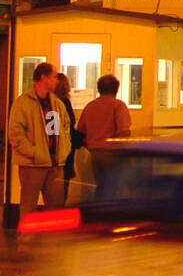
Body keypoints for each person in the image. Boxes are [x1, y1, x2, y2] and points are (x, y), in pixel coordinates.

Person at [8, 63, 71, 220]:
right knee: (29, 207)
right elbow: (16, 134)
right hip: (32, 165)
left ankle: (53, 243)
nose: (57, 80)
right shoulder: (23, 103)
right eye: (54, 76)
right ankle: (27, 243)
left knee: (55, 208)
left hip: (54, 164)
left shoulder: (54, 103)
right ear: (43, 77)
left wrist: (62, 150)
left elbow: (58, 131)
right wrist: (35, 153)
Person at [76, 74, 132, 199]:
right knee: (113, 187)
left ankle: (99, 211)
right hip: (113, 153)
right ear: (116, 89)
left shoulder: (90, 106)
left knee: (100, 186)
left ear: (99, 89)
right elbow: (123, 131)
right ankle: (109, 215)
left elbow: (80, 131)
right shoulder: (118, 106)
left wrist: (90, 144)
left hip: (94, 154)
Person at [53, 73, 81, 201]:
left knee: (56, 187)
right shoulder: (64, 102)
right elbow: (69, 126)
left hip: (57, 150)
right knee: (62, 188)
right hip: (64, 151)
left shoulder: (52, 103)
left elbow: (53, 129)